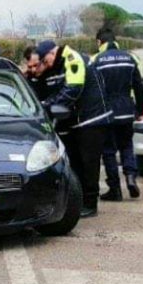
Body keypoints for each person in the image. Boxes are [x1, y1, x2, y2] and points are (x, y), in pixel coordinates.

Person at [36, 39, 112, 218]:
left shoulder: (72, 58)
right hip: (83, 120)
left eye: (46, 61)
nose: (47, 65)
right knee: (80, 162)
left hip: (92, 120)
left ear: (52, 53)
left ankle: (91, 204)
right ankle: (84, 201)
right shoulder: (63, 62)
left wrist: (48, 107)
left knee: (89, 164)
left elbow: (73, 88)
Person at [92, 28, 143, 201]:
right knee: (126, 146)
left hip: (107, 112)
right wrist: (140, 110)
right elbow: (139, 86)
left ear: (99, 42)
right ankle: (130, 177)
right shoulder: (130, 58)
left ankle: (114, 189)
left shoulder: (97, 60)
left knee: (108, 151)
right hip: (126, 110)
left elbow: (93, 90)